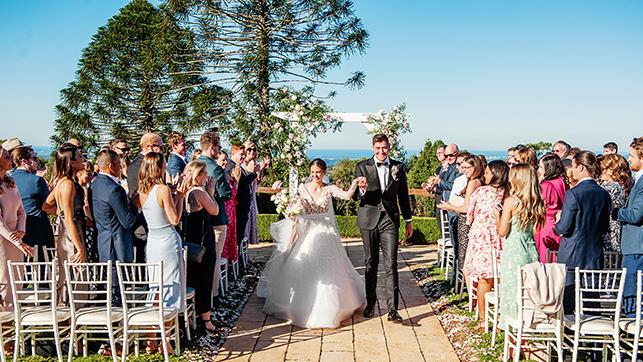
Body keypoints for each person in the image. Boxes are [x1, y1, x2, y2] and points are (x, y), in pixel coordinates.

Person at [258, 159, 366, 328]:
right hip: (307, 232)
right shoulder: (302, 188)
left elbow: (346, 196)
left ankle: (332, 308)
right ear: (310, 172)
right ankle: (300, 305)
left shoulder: (329, 189)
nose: (315, 175)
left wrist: (354, 184)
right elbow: (294, 205)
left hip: (325, 232)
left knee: (329, 270)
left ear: (324, 173)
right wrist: (288, 207)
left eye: (319, 172)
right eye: (313, 172)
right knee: (303, 266)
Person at [353, 134, 413, 322]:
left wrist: (408, 220)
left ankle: (393, 309)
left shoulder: (399, 167)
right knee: (371, 263)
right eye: (378, 148)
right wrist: (361, 188)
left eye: (384, 148)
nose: (381, 151)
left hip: (390, 220)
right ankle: (371, 303)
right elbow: (355, 196)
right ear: (373, 147)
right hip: (369, 219)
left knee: (391, 264)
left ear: (389, 147)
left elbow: (403, 195)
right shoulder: (362, 166)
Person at [554, 151, 612, 313]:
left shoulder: (573, 194)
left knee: (568, 298)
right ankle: (591, 334)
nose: (571, 170)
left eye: (573, 166)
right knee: (591, 298)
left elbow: (563, 228)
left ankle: (568, 334)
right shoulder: (604, 194)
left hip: (572, 253)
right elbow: (604, 226)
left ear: (580, 167)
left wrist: (557, 222)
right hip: (594, 253)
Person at [133, 152, 185, 310]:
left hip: (152, 241)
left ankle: (153, 323)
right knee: (171, 282)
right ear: (159, 166)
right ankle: (169, 322)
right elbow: (174, 219)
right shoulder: (162, 189)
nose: (166, 166)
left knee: (155, 284)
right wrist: (181, 196)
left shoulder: (140, 192)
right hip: (167, 240)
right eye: (164, 163)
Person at [496, 163, 545, 326]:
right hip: (531, 251)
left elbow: (502, 231)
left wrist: (497, 215)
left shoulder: (511, 202)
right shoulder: (536, 201)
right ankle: (529, 332)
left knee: (513, 293)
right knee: (529, 294)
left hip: (514, 252)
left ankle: (513, 339)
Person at [463, 160, 509, 327]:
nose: (485, 175)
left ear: (496, 174)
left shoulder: (480, 192)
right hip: (503, 238)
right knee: (500, 279)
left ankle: (483, 319)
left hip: (482, 238)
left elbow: (469, 215)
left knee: (484, 279)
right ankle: (501, 316)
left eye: (488, 172)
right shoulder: (509, 194)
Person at [43, 143, 89, 299]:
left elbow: (46, 205)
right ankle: (71, 310)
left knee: (69, 274)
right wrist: (80, 248)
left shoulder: (62, 182)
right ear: (72, 161)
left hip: (70, 228)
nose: (83, 159)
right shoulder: (67, 184)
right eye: (80, 156)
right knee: (75, 274)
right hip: (71, 232)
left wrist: (59, 212)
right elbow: (69, 219)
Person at [182, 160, 219, 331]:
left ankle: (191, 316)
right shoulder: (199, 192)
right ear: (198, 175)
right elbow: (215, 211)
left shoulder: (185, 192)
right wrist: (210, 193)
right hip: (204, 240)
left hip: (190, 240)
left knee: (192, 278)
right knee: (205, 278)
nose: (207, 176)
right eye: (205, 173)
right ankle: (206, 319)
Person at [197, 131, 232, 299]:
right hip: (216, 218)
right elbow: (226, 194)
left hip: (198, 218)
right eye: (218, 146)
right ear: (212, 147)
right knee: (215, 257)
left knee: (200, 258)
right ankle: (213, 294)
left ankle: (200, 294)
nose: (219, 150)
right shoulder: (215, 168)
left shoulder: (193, 164)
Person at [437, 154, 484, 276]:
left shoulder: (474, 182)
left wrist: (449, 206)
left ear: (476, 167)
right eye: (463, 167)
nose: (464, 170)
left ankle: (466, 289)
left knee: (464, 258)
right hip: (466, 221)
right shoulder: (474, 181)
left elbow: (466, 208)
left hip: (466, 222)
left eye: (468, 167)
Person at [612, 137, 643, 317]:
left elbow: (636, 215)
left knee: (632, 293)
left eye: (632, 155)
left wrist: (616, 213)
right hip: (634, 245)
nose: (629, 159)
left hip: (637, 247)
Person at [0, 146, 33, 312]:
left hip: (16, 238)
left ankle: (15, 327)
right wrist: (18, 242)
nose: (10, 159)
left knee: (17, 280)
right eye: (6, 157)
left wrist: (21, 230)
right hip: (3, 241)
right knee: (5, 281)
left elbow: (21, 210)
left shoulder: (10, 182)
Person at [91, 150, 137, 267]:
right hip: (118, 246)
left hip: (103, 242)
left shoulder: (94, 185)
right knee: (118, 283)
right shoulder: (115, 189)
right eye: (119, 164)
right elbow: (128, 221)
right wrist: (135, 204)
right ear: (111, 166)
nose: (120, 167)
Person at [10, 146, 54, 262]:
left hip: (15, 228)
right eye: (34, 158)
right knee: (43, 267)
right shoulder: (36, 181)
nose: (37, 161)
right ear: (24, 161)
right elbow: (49, 204)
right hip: (38, 227)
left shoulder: (8, 180)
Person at [534, 154, 567, 262]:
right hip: (557, 222)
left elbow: (540, 206)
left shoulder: (546, 185)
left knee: (546, 257)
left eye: (541, 167)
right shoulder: (561, 182)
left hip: (546, 225)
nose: (538, 170)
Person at [227, 144, 257, 253]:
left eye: (244, 155)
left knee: (238, 237)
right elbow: (243, 184)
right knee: (236, 237)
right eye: (241, 154)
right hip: (238, 208)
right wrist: (253, 173)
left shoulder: (238, 166)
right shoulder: (230, 166)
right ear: (233, 154)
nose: (243, 157)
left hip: (243, 209)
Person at [598, 154, 630, 252]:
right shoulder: (622, 187)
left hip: (608, 236)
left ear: (611, 169)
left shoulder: (612, 188)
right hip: (614, 234)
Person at [242, 140, 269, 245]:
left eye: (254, 149)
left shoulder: (254, 163)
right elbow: (245, 182)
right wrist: (254, 170)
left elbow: (256, 184)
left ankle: (247, 253)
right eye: (249, 149)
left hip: (252, 198)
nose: (252, 152)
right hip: (245, 199)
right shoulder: (242, 165)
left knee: (250, 226)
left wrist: (261, 170)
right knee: (244, 228)